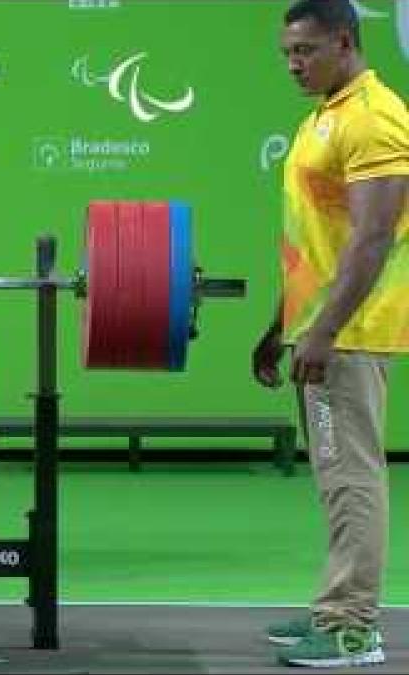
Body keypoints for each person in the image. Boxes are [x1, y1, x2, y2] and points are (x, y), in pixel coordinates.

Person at [252, 0, 409, 667]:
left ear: (344, 43)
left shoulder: (374, 118)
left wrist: (325, 331)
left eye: (305, 51)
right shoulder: (326, 115)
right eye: (287, 51)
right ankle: (335, 604)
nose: (293, 64)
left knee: (353, 476)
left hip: (352, 331)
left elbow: (373, 238)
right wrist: (281, 325)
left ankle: (352, 627)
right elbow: (320, 240)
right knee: (335, 475)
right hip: (321, 327)